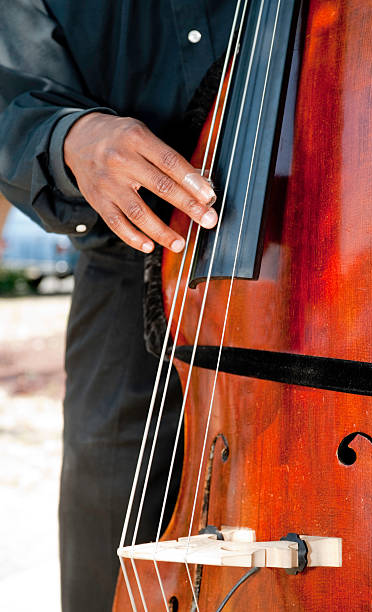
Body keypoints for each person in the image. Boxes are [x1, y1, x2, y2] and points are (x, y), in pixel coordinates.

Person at [0, 1, 236, 610]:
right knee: (109, 569)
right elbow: (8, 90)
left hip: (341, 269)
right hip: (127, 280)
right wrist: (70, 137)